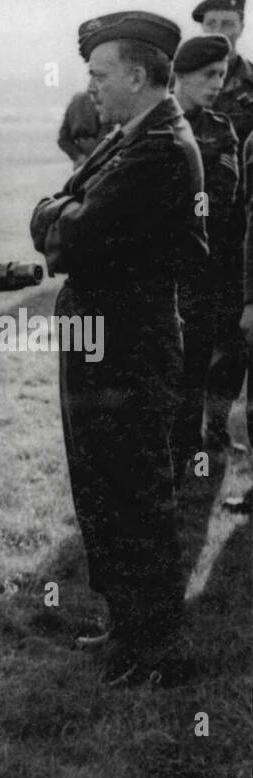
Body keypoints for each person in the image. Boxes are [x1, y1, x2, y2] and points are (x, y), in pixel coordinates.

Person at [31, 10, 204, 687]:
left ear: (137, 74)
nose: (92, 87)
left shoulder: (162, 144)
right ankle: (127, 625)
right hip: (101, 333)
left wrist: (58, 218)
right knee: (101, 483)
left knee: (134, 490)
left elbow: (71, 230)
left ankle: (156, 649)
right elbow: (61, 208)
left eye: (101, 75)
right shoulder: (128, 134)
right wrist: (60, 216)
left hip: (130, 340)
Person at [170, 34, 241, 474]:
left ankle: (185, 460)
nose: (217, 83)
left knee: (194, 366)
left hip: (198, 271)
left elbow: (219, 200)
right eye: (207, 75)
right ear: (179, 76)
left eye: (221, 74)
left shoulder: (220, 129)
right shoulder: (154, 122)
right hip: (154, 272)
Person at [195, 0, 253, 450]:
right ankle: (180, 429)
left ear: (242, 26)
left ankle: (215, 426)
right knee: (187, 333)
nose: (218, 31)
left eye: (227, 24)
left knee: (232, 340)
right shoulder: (187, 80)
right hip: (192, 239)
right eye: (210, 23)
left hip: (238, 240)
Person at [58, 91, 112, 165]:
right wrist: (80, 157)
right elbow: (63, 139)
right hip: (96, 156)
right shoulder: (99, 100)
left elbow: (63, 139)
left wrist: (79, 156)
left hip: (90, 156)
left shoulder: (75, 101)